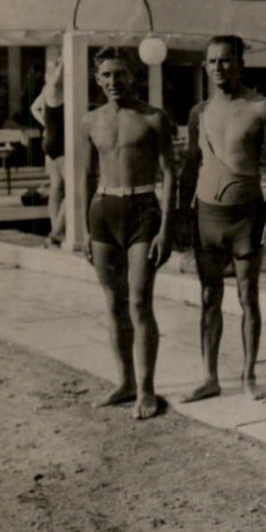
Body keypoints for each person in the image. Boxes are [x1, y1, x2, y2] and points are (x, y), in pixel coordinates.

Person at [179, 35, 266, 403]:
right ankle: (210, 377)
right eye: (211, 61)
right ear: (205, 66)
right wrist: (180, 215)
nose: (218, 67)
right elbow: (190, 167)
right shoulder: (199, 113)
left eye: (225, 60)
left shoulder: (261, 107)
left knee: (248, 297)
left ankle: (249, 375)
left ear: (240, 63)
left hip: (247, 216)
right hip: (206, 215)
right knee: (209, 297)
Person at [82, 47, 176, 420]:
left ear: (133, 75)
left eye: (120, 74)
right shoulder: (90, 120)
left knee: (139, 302)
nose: (113, 81)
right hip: (103, 210)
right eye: (106, 75)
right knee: (113, 302)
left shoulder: (154, 118)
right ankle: (125, 382)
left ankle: (148, 389)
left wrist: (167, 227)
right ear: (97, 79)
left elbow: (170, 172)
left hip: (142, 210)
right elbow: (87, 175)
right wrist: (86, 230)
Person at [31, 55, 66, 247]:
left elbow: (33, 108)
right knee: (76, 189)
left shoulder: (48, 90)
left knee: (57, 187)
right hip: (60, 144)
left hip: (50, 141)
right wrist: (64, 57)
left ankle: (55, 230)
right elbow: (55, 77)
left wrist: (46, 124)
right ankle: (56, 231)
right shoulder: (53, 87)